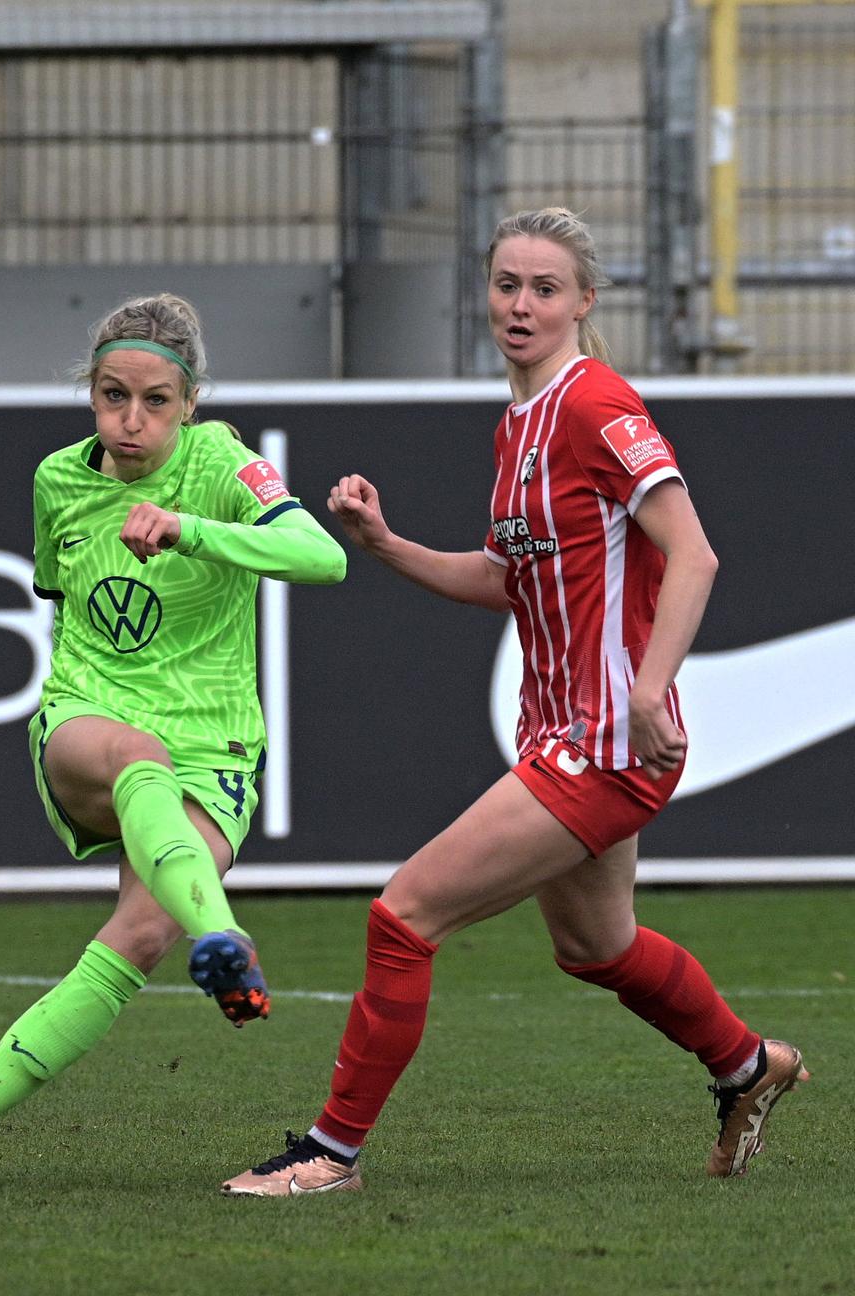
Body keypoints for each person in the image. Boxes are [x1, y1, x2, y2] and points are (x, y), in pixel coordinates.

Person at [221, 207, 808, 1197]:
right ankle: (751, 1066)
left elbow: (695, 551)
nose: (522, 304)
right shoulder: (520, 424)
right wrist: (389, 545)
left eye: (544, 287)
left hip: (607, 740)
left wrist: (655, 689)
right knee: (596, 947)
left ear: (584, 301)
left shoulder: (593, 404)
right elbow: (510, 577)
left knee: (403, 917)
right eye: (506, 285)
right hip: (566, 733)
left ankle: (332, 1154)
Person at [0, 292, 347, 1194]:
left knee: (135, 940)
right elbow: (65, 598)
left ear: (191, 401)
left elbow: (320, 557)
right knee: (138, 754)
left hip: (217, 749)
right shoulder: (59, 479)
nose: (130, 421)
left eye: (155, 401)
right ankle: (229, 942)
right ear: (89, 394)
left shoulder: (223, 466)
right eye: (110, 395)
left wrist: (193, 530)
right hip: (89, 718)